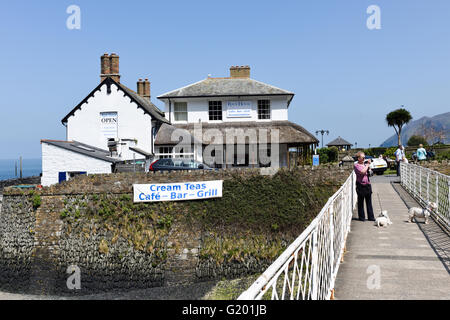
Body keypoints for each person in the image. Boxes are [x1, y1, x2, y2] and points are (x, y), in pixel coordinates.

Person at [354, 151, 375, 222]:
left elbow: (370, 173)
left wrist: (369, 169)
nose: (364, 159)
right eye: (363, 158)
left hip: (367, 184)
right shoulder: (356, 166)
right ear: (358, 158)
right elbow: (362, 172)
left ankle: (371, 217)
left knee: (369, 202)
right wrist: (367, 165)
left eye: (364, 158)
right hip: (361, 185)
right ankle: (362, 217)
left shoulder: (365, 165)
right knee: (361, 202)